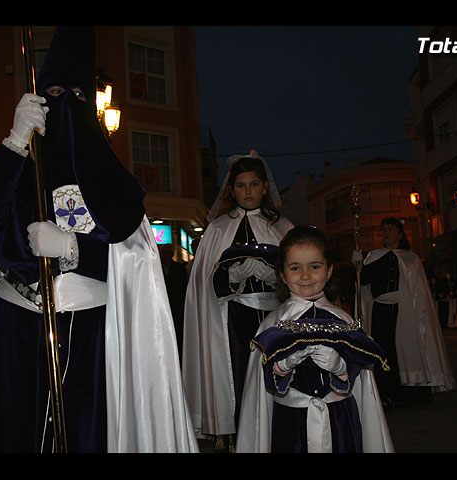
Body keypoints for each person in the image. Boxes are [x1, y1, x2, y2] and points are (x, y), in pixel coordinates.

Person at [0, 26, 197, 453]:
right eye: (54, 92)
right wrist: (16, 141)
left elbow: (135, 257)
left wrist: (73, 248)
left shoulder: (113, 179)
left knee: (84, 433)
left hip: (90, 328)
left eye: (77, 95)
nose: (65, 105)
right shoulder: (18, 165)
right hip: (16, 324)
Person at [236, 226, 393, 453]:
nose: (306, 276)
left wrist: (341, 368)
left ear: (329, 271)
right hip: (291, 422)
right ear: (282, 274)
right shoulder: (272, 323)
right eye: (295, 268)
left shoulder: (343, 319)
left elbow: (361, 376)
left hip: (339, 419)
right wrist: (282, 366)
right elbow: (260, 385)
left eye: (315, 267)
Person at [182, 150, 293, 452]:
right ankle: (238, 436)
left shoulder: (282, 227)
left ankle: (275, 433)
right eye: (241, 186)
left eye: (254, 185)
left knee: (274, 374)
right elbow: (204, 281)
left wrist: (276, 276)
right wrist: (232, 276)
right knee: (240, 376)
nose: (248, 192)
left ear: (265, 187)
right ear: (232, 190)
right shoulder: (217, 229)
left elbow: (300, 272)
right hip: (232, 316)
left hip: (276, 315)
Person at [358, 217, 456, 408]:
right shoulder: (374, 257)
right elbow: (364, 282)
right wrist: (359, 266)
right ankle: (386, 393)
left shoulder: (410, 259)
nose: (386, 232)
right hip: (381, 311)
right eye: (384, 229)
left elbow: (418, 291)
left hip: (404, 311)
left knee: (405, 349)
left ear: (400, 234)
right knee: (384, 352)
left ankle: (410, 392)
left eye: (390, 229)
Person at [158, 242, 188, 358]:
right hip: (160, 306)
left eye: (168, 252)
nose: (166, 254)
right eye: (164, 252)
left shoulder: (180, 268)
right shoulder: (155, 267)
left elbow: (183, 288)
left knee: (177, 333)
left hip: (176, 307)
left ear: (172, 254)